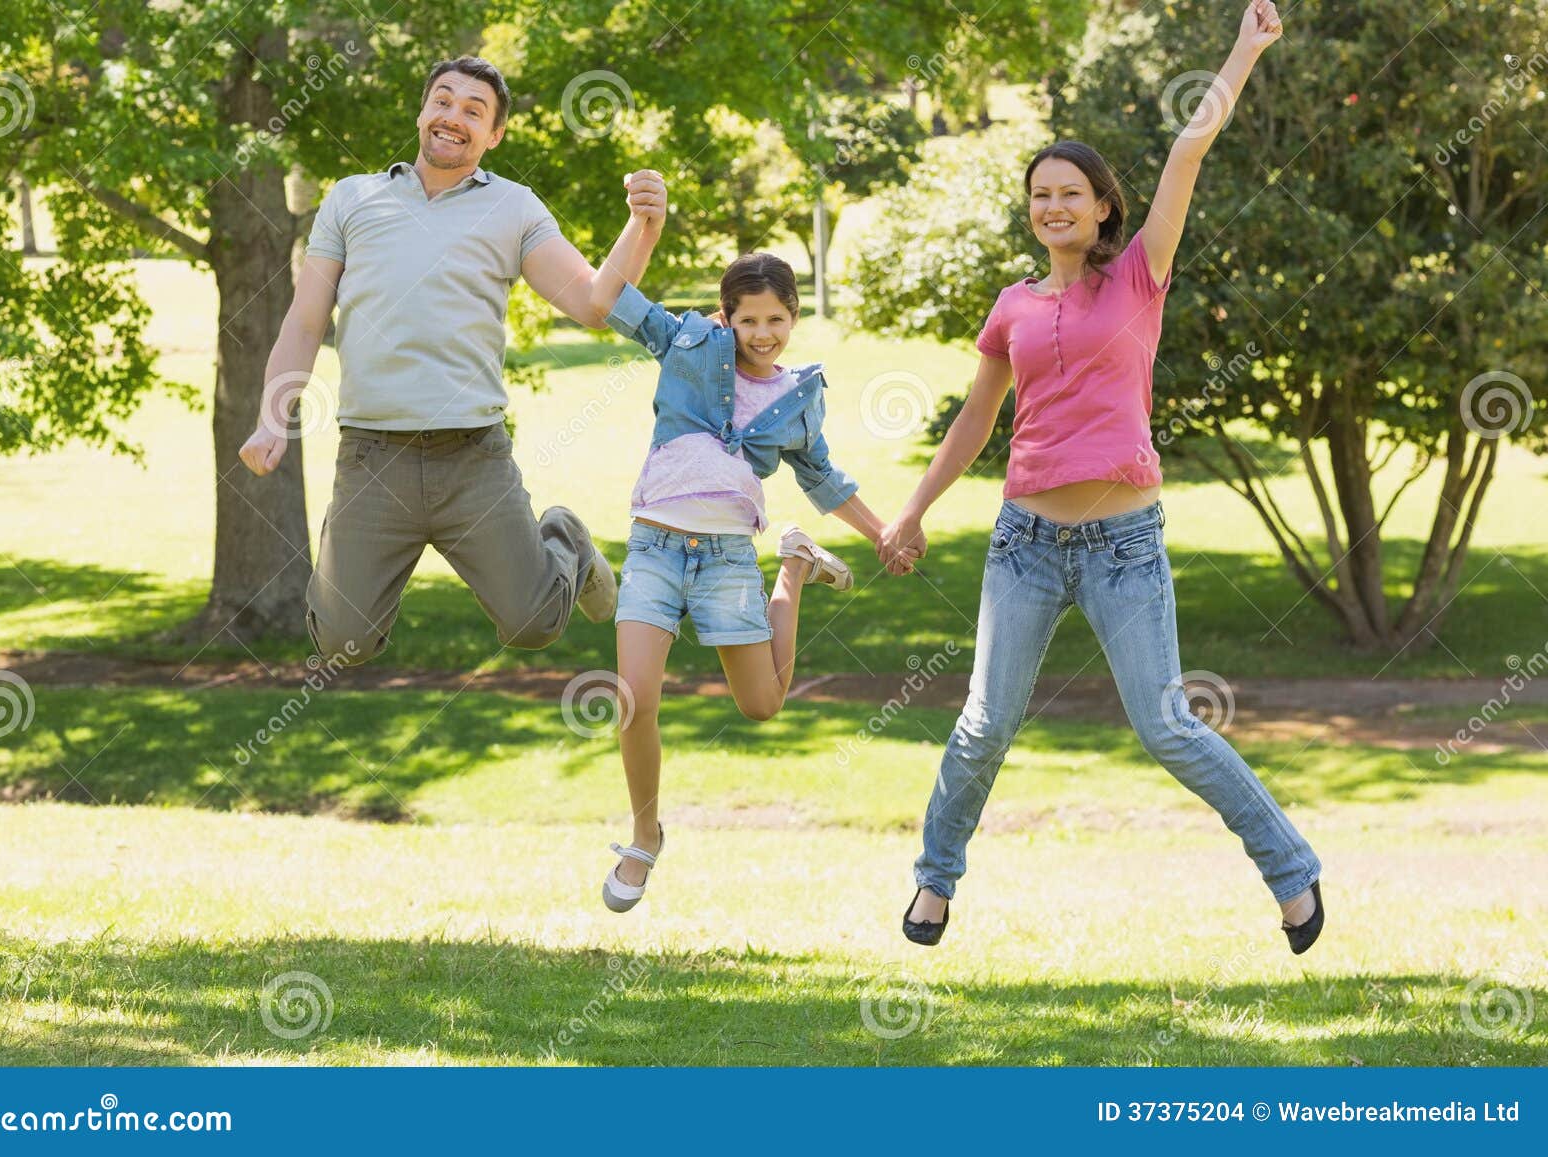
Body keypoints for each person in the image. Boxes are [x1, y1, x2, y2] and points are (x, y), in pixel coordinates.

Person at [878, 1, 1325, 954]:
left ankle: (1292, 872)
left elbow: (1187, 154)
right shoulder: (1012, 306)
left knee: (1167, 728)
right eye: (1040, 194)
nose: (1054, 206)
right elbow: (976, 418)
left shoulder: (1138, 276)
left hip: (1126, 543)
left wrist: (1244, 50)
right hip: (1026, 545)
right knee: (984, 725)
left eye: (1071, 193)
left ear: (1102, 206)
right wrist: (913, 512)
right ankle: (933, 881)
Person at [238, 55, 668, 661]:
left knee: (533, 624)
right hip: (372, 459)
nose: (453, 117)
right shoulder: (351, 200)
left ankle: (565, 539)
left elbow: (594, 304)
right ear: (422, 112)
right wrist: (269, 418)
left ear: (493, 135)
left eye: (474, 110)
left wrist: (642, 229)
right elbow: (305, 321)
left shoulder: (515, 207)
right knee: (342, 642)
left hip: (474, 460)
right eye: (442, 100)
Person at [598, 252, 917, 912]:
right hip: (655, 546)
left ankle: (793, 565)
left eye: (777, 318)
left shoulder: (798, 397)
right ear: (727, 317)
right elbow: (610, 297)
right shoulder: (686, 341)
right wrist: (646, 226)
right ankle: (643, 834)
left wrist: (882, 532)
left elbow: (823, 478)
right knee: (633, 697)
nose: (764, 332)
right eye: (749, 320)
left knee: (763, 704)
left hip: (726, 559)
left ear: (794, 316)